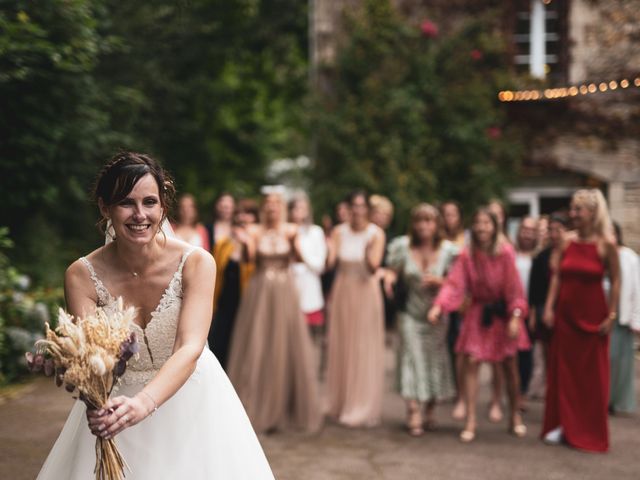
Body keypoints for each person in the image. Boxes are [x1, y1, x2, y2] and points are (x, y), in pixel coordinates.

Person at [37, 152, 273, 479]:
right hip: (118, 408)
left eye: (150, 202)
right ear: (105, 208)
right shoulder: (81, 275)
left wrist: (145, 402)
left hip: (196, 401)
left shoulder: (196, 263)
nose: (140, 215)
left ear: (163, 206)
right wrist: (96, 401)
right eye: (126, 203)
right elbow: (92, 358)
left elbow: (190, 346)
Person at [428, 207, 529, 443]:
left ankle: (514, 415)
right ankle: (471, 419)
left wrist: (515, 316)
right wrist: (438, 306)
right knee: (471, 361)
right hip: (478, 312)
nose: (482, 227)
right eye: (478, 223)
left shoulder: (505, 253)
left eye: (487, 223)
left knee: (509, 367)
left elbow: (515, 289)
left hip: (503, 313)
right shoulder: (467, 254)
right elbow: (454, 284)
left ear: (495, 226)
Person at [227, 191, 323, 434]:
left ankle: (285, 406)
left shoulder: (291, 230)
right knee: (258, 343)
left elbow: (299, 260)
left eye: (275, 204)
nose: (271, 209)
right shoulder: (254, 231)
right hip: (260, 291)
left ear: (281, 208)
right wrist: (246, 242)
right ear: (263, 208)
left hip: (284, 291)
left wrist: (294, 243)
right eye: (267, 204)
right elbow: (248, 261)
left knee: (285, 343)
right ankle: (255, 403)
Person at [542, 189, 620, 452]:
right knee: (564, 372)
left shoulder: (605, 243)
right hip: (566, 315)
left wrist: (612, 314)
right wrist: (549, 307)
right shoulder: (567, 241)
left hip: (593, 316)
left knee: (592, 377)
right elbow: (556, 277)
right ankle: (563, 424)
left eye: (578, 209)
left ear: (593, 212)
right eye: (572, 208)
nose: (573, 214)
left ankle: (588, 430)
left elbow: (617, 280)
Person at [385, 204, 458, 436]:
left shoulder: (449, 251)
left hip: (437, 317)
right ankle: (413, 411)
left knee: (433, 361)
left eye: (428, 221)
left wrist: (440, 282)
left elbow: (459, 284)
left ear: (436, 224)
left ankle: (429, 410)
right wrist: (388, 278)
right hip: (410, 313)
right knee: (411, 360)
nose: (423, 226)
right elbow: (392, 271)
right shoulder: (402, 247)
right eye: (419, 221)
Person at [326, 190, 386, 427]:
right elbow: (330, 263)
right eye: (355, 206)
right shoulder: (339, 232)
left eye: (362, 206)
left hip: (365, 291)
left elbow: (374, 267)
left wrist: (367, 253)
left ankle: (360, 404)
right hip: (343, 290)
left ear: (367, 209)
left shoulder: (376, 234)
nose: (358, 210)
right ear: (349, 208)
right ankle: (340, 401)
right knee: (342, 343)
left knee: (362, 345)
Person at [208, 199, 258, 371]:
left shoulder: (257, 243)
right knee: (219, 344)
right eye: (240, 214)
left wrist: (247, 241)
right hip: (224, 303)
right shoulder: (223, 244)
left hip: (247, 302)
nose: (244, 218)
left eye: (249, 214)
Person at [527, 213, 569, 399]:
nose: (554, 234)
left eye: (558, 230)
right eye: (550, 230)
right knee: (547, 352)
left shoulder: (571, 254)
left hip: (567, 308)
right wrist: (535, 312)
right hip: (546, 308)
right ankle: (552, 387)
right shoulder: (541, 257)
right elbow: (534, 289)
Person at [440, 200, 467, 419]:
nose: (449, 218)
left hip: (461, 299)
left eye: (453, 214)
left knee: (458, 345)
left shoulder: (465, 239)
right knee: (443, 344)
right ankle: (445, 387)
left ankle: (461, 392)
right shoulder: (437, 240)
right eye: (445, 214)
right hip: (440, 296)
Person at [609, 223, 639, 414]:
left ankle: (619, 401)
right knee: (606, 360)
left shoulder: (629, 257)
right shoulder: (599, 253)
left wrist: (636, 318)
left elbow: (638, 288)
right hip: (602, 312)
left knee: (622, 362)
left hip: (623, 315)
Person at [288, 194, 327, 338]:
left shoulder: (315, 232)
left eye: (302, 208)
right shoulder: (284, 231)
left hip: (309, 290)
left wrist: (300, 252)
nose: (298, 212)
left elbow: (319, 265)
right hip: (288, 288)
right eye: (295, 208)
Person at [513, 216, 539, 409]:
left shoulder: (539, 257)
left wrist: (535, 312)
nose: (527, 234)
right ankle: (509, 391)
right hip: (511, 310)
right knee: (509, 354)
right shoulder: (511, 254)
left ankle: (521, 392)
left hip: (530, 311)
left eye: (531, 231)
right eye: (525, 229)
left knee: (526, 355)